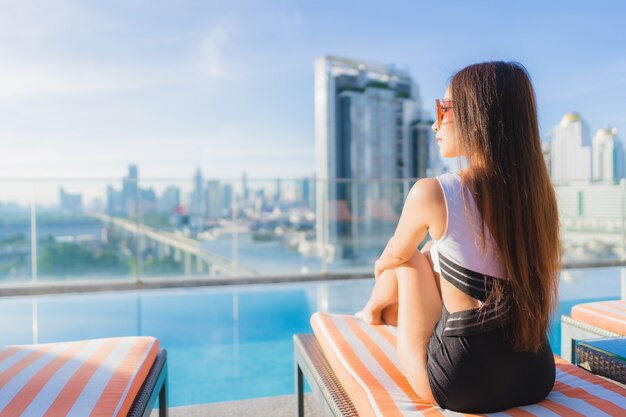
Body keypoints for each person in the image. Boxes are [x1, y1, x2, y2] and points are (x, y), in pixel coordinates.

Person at [356, 61, 560, 413]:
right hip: (536, 375)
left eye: (443, 108)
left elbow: (394, 255)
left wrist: (380, 271)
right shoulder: (539, 198)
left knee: (409, 260)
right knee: (437, 249)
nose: (436, 122)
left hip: (463, 383)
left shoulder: (434, 192)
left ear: (476, 115)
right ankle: (373, 311)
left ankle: (371, 312)